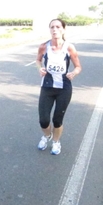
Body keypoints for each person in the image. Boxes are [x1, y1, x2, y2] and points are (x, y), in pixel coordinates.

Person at [36, 18, 82, 155]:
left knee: (57, 119)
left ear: (63, 29)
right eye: (52, 27)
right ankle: (46, 136)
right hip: (47, 87)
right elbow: (38, 60)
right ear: (49, 30)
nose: (55, 29)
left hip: (64, 88)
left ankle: (56, 142)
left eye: (57, 27)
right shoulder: (44, 46)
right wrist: (40, 68)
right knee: (43, 120)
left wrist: (73, 73)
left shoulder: (69, 47)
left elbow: (78, 66)